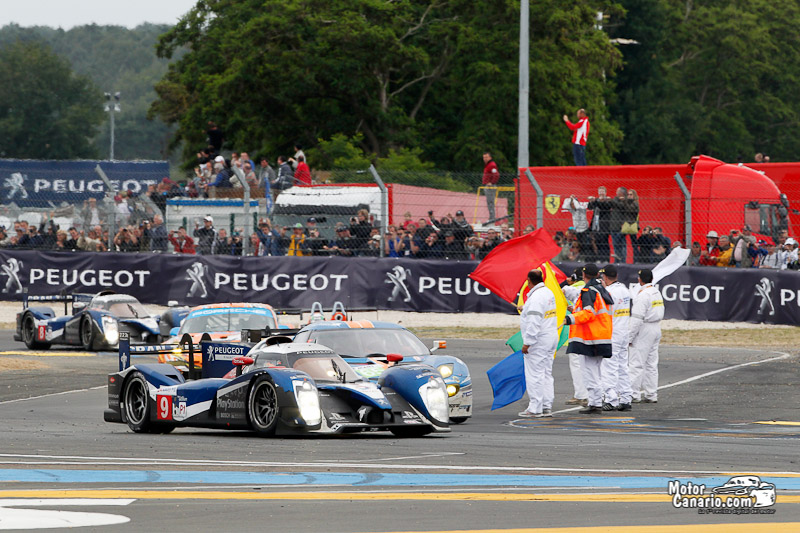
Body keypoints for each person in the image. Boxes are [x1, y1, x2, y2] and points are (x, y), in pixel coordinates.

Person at [562, 263, 614, 414]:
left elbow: (588, 313)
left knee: (590, 372)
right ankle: (595, 402)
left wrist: (570, 318)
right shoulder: (601, 289)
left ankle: (595, 403)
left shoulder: (588, 291)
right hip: (602, 335)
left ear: (584, 275)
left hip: (591, 337)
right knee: (596, 371)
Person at [518, 269, 558, 418]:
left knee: (534, 374)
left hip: (538, 340)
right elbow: (540, 311)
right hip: (550, 336)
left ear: (529, 280)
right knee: (546, 372)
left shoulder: (536, 297)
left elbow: (534, 321)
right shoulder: (547, 292)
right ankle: (546, 405)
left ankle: (535, 408)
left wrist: (527, 343)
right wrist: (525, 308)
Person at [599, 265, 633, 412]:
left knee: (609, 367)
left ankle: (611, 399)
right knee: (622, 366)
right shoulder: (624, 289)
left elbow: (604, 312)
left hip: (612, 332)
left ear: (605, 277)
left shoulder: (609, 292)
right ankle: (626, 398)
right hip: (624, 331)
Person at [628, 268, 665, 404]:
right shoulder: (656, 292)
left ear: (639, 280)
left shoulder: (643, 295)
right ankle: (651, 394)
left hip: (644, 328)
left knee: (636, 363)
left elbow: (637, 319)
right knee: (651, 363)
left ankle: (633, 394)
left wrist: (629, 337)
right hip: (656, 327)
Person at [560, 267, 588, 407]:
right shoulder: (597, 288)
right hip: (593, 332)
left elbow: (562, 291)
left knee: (577, 363)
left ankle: (581, 395)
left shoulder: (577, 288)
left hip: (579, 332)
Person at [562, 194, 592, 262]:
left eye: (573, 204)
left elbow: (577, 206)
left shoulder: (582, 209)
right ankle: (579, 260)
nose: (572, 206)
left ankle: (586, 260)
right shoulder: (573, 211)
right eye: (571, 204)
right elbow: (565, 206)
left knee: (586, 246)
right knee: (579, 246)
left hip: (584, 231)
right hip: (578, 232)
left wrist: (574, 199)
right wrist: (571, 200)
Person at [588, 186, 612, 262]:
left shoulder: (608, 200)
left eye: (602, 191)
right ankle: (598, 258)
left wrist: (595, 201)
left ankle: (605, 259)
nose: (601, 193)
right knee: (596, 242)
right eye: (600, 191)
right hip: (595, 225)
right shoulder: (596, 200)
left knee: (604, 243)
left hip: (604, 226)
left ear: (605, 193)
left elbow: (603, 206)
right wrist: (591, 201)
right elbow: (590, 207)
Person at [482, 152, 499, 222]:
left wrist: (491, 183)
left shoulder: (492, 165)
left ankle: (492, 218)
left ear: (490, 157)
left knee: (490, 202)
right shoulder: (488, 165)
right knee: (489, 202)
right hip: (487, 185)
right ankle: (491, 217)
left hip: (490, 186)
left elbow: (496, 175)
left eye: (486, 157)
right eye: (484, 157)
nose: (485, 159)